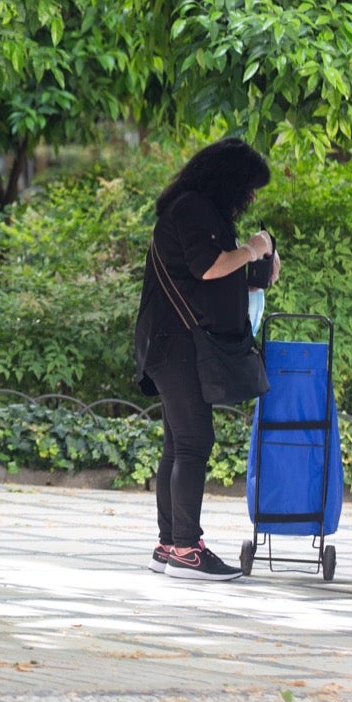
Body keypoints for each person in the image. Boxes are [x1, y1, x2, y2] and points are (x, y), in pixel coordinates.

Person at [134, 138, 280, 581]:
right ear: (229, 179)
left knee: (179, 443)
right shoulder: (191, 208)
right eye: (249, 187)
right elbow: (208, 267)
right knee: (195, 441)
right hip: (174, 346)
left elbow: (221, 276)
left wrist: (260, 267)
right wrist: (254, 249)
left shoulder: (199, 212)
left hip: (172, 343)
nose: (251, 197)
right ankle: (185, 548)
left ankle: (169, 543)